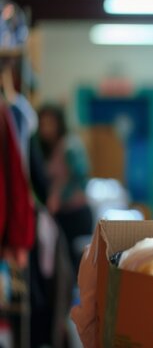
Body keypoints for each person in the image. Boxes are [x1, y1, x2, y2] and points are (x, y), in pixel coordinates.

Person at [36, 103, 93, 276]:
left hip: (75, 213)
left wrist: (59, 198)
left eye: (50, 124)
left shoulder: (70, 146)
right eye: (43, 124)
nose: (46, 129)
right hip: (60, 214)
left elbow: (80, 176)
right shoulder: (47, 149)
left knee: (77, 265)